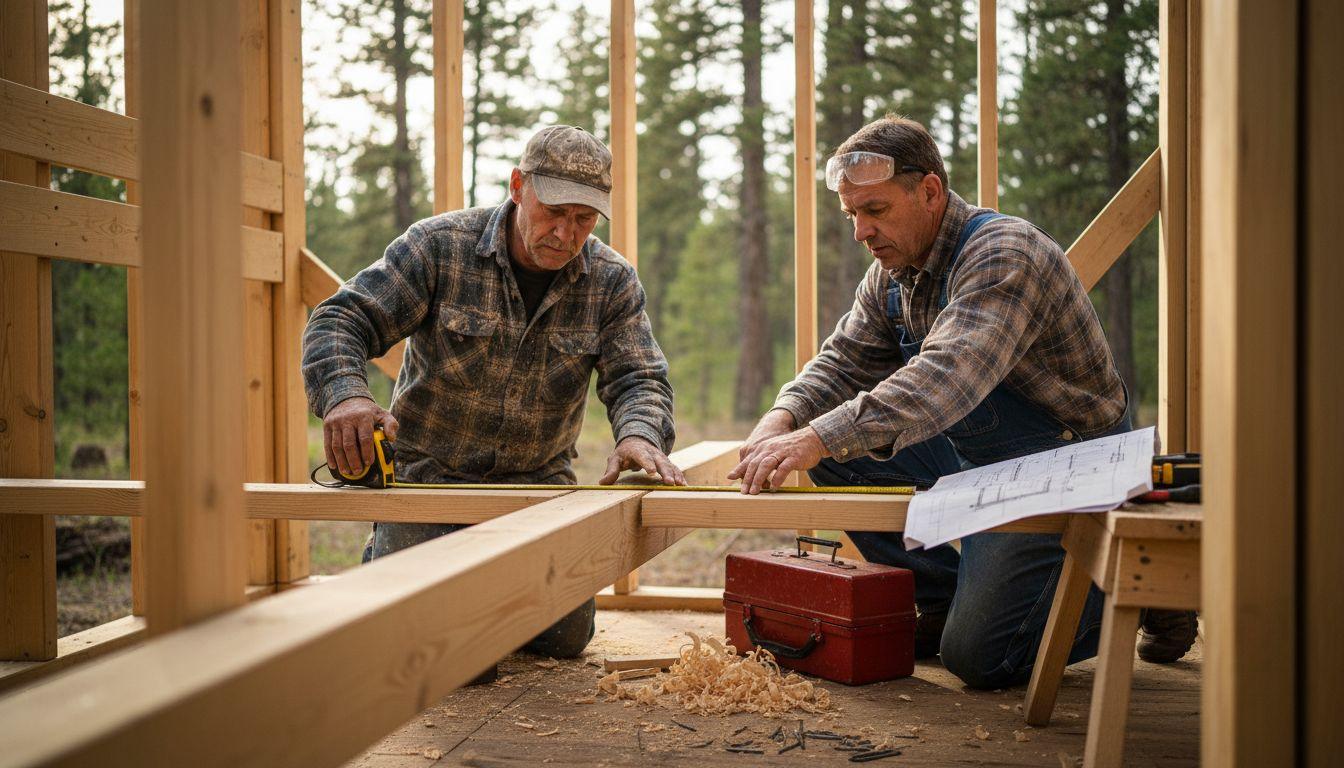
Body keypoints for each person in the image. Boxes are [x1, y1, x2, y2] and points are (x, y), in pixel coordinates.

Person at [729, 115, 1197, 688]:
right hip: (976, 451)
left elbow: (944, 376)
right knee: (826, 450)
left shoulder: (1004, 253)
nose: (860, 232)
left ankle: (1140, 587)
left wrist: (815, 434)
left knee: (981, 657)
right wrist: (779, 425)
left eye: (875, 211)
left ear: (929, 191)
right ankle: (947, 599)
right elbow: (842, 361)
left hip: (1065, 462)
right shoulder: (894, 272)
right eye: (852, 215)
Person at [302, 125, 685, 663]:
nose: (565, 232)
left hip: (536, 487)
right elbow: (341, 319)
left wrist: (640, 434)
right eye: (554, 212)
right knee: (452, 656)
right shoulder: (439, 247)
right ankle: (391, 561)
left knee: (563, 642)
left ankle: (446, 590)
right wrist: (345, 396)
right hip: (428, 482)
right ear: (516, 187)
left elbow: (639, 377)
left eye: (583, 219)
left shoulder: (611, 280)